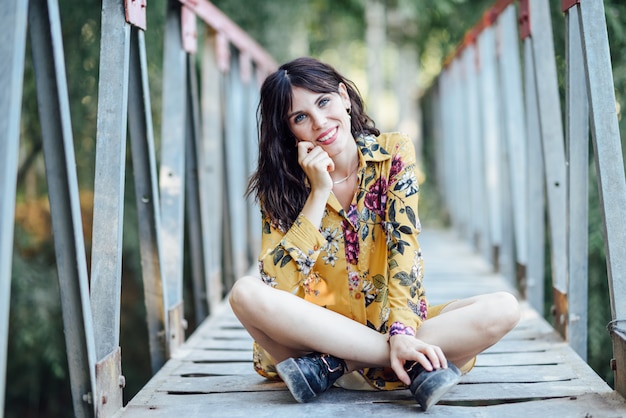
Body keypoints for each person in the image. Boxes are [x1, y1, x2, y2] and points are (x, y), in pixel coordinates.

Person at [229, 56, 520, 411]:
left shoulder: (393, 153)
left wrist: (400, 333)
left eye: (324, 102)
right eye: (300, 117)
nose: (320, 122)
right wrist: (318, 194)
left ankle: (337, 366)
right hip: (308, 344)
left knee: (503, 308)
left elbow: (404, 249)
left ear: (343, 97)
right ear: (290, 131)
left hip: (357, 345)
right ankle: (405, 364)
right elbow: (276, 286)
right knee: (244, 294)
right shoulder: (280, 186)